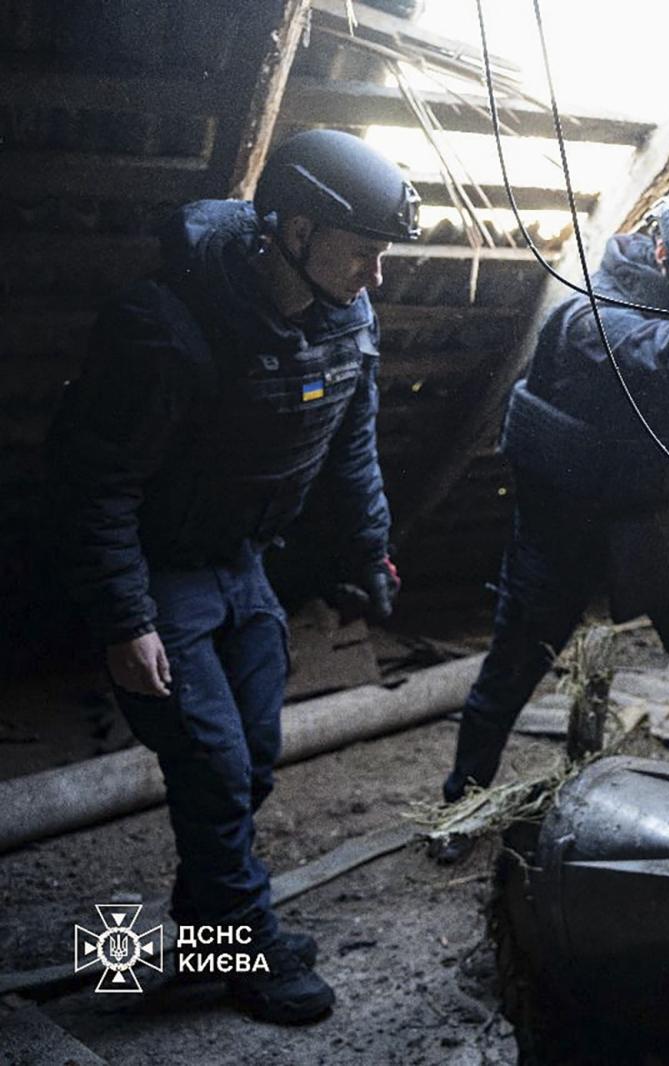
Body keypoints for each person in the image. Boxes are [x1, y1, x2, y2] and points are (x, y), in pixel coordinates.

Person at [54, 129, 419, 1023]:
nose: (378, 276)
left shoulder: (347, 316)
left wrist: (367, 549)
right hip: (159, 575)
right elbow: (92, 481)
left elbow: (350, 448)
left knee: (251, 761)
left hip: (242, 562)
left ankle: (207, 930)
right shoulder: (164, 325)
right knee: (213, 764)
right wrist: (123, 620)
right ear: (294, 230)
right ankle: (246, 948)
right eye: (364, 253)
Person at [434, 184, 669, 857]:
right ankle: (461, 803)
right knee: (514, 670)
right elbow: (667, 348)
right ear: (662, 251)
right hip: (561, 525)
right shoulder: (593, 313)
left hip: (647, 512)